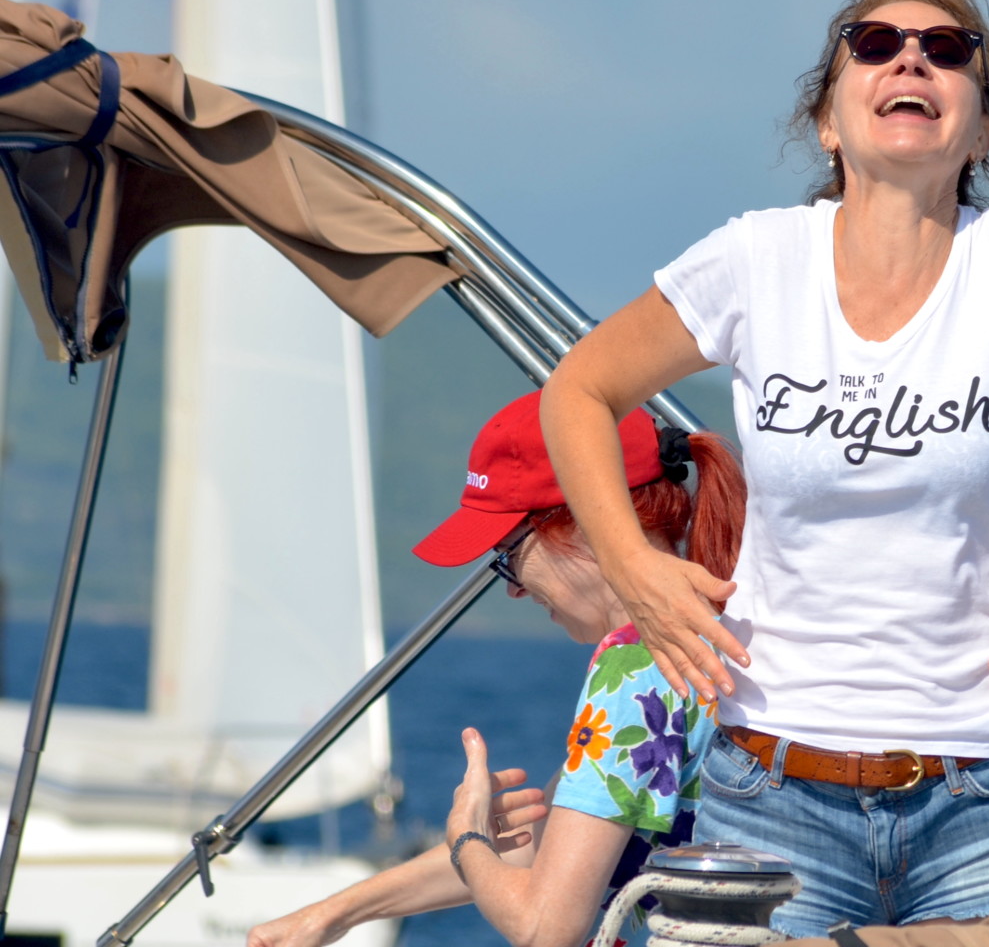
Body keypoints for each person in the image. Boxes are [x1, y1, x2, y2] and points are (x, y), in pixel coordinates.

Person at [540, 0, 989, 937]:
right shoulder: (755, 261)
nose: (911, 58)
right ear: (827, 123)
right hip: (771, 803)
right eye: (874, 45)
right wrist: (631, 568)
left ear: (983, 131)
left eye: (947, 51)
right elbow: (578, 391)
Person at [246, 391, 745, 947]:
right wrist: (332, 915)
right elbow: (550, 846)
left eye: (508, 553)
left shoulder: (633, 669)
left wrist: (467, 841)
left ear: (584, 521)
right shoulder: (718, 626)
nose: (512, 589)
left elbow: (545, 927)